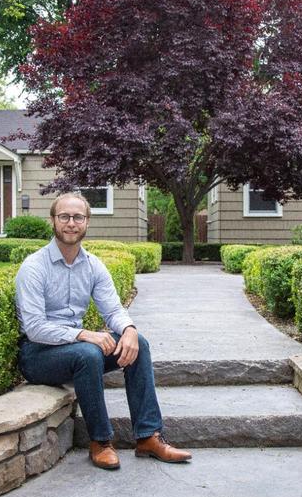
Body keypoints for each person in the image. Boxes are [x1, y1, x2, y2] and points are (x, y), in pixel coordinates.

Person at [14, 192, 191, 470]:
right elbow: (35, 328)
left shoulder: (93, 265)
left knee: (139, 343)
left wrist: (129, 329)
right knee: (89, 353)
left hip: (75, 349)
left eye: (78, 217)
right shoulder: (34, 267)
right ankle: (100, 441)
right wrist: (84, 334)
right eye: (64, 216)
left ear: (87, 222)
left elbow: (113, 310)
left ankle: (148, 436)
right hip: (38, 355)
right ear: (53, 220)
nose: (71, 223)